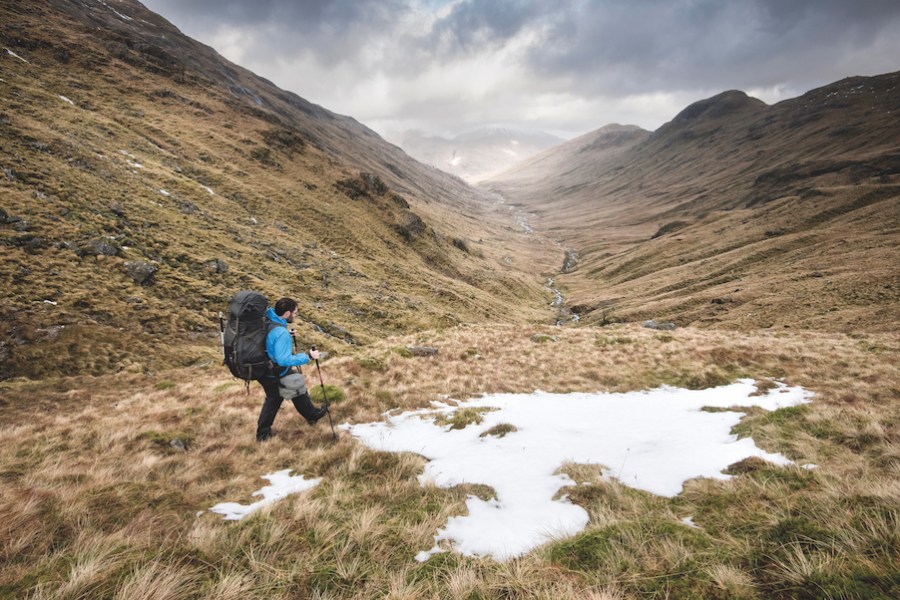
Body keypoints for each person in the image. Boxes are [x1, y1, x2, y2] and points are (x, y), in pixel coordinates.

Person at [256, 297, 328, 441]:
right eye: (295, 313)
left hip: (264, 368)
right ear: (287, 313)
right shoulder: (281, 333)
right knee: (285, 391)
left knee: (283, 393)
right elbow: (283, 360)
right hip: (275, 370)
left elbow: (270, 339)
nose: (295, 315)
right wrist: (308, 356)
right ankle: (312, 415)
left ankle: (263, 434)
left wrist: (286, 335)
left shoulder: (270, 319)